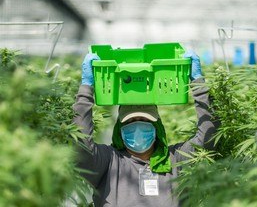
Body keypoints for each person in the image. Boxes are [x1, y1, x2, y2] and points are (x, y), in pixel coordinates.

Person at [72, 50, 218, 207]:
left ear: (157, 127)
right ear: (119, 129)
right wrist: (86, 90)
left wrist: (199, 85)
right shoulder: (109, 161)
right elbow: (81, 146)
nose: (137, 127)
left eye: (144, 120)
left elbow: (208, 138)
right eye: (131, 121)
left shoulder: (176, 159)